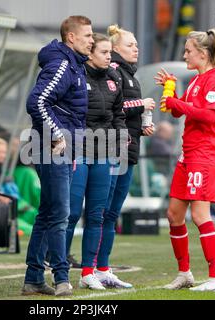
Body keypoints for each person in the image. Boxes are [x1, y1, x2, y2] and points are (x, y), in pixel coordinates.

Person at [22, 15, 93, 297]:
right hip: (51, 146)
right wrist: (58, 134)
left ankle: (33, 278)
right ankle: (62, 278)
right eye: (87, 35)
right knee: (60, 214)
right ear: (71, 38)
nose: (91, 40)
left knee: (48, 213)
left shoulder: (74, 65)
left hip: (60, 145)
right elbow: (36, 101)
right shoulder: (63, 64)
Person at [154, 29, 215, 291]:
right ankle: (185, 273)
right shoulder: (197, 80)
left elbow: (208, 116)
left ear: (203, 53)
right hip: (188, 155)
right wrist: (170, 90)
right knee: (174, 215)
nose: (184, 54)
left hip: (205, 154)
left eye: (188, 51)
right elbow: (178, 113)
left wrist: (179, 103)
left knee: (199, 215)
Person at [92, 25, 155, 289]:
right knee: (102, 212)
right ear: (116, 49)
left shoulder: (131, 75)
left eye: (137, 45)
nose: (136, 49)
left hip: (129, 150)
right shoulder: (113, 72)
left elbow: (125, 113)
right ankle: (91, 267)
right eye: (131, 45)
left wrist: (141, 126)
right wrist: (142, 105)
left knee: (112, 214)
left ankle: (104, 268)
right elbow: (115, 107)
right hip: (114, 150)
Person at [65, 33, 127, 290]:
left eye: (110, 53)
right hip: (79, 151)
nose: (109, 57)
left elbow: (118, 113)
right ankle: (59, 268)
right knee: (70, 213)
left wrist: (121, 137)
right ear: (90, 54)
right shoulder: (78, 76)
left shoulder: (114, 79)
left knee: (97, 214)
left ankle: (89, 272)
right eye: (104, 53)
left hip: (104, 154)